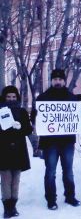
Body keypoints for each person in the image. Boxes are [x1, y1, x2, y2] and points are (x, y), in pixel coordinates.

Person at [32, 69, 81, 210]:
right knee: (50, 171)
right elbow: (35, 119)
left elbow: (78, 117)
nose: (58, 81)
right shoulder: (42, 98)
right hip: (49, 142)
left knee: (68, 170)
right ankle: (51, 200)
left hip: (67, 141)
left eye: (60, 79)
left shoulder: (72, 98)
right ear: (51, 80)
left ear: (64, 81)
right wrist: (35, 115)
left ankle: (70, 196)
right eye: (55, 79)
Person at [0, 86, 33, 218]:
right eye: (8, 97)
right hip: (3, 149)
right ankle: (7, 207)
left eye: (13, 97)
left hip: (19, 150)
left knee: (16, 180)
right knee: (6, 179)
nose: (11, 99)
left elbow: (28, 130)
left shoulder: (22, 112)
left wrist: (21, 127)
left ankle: (13, 206)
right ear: (4, 97)